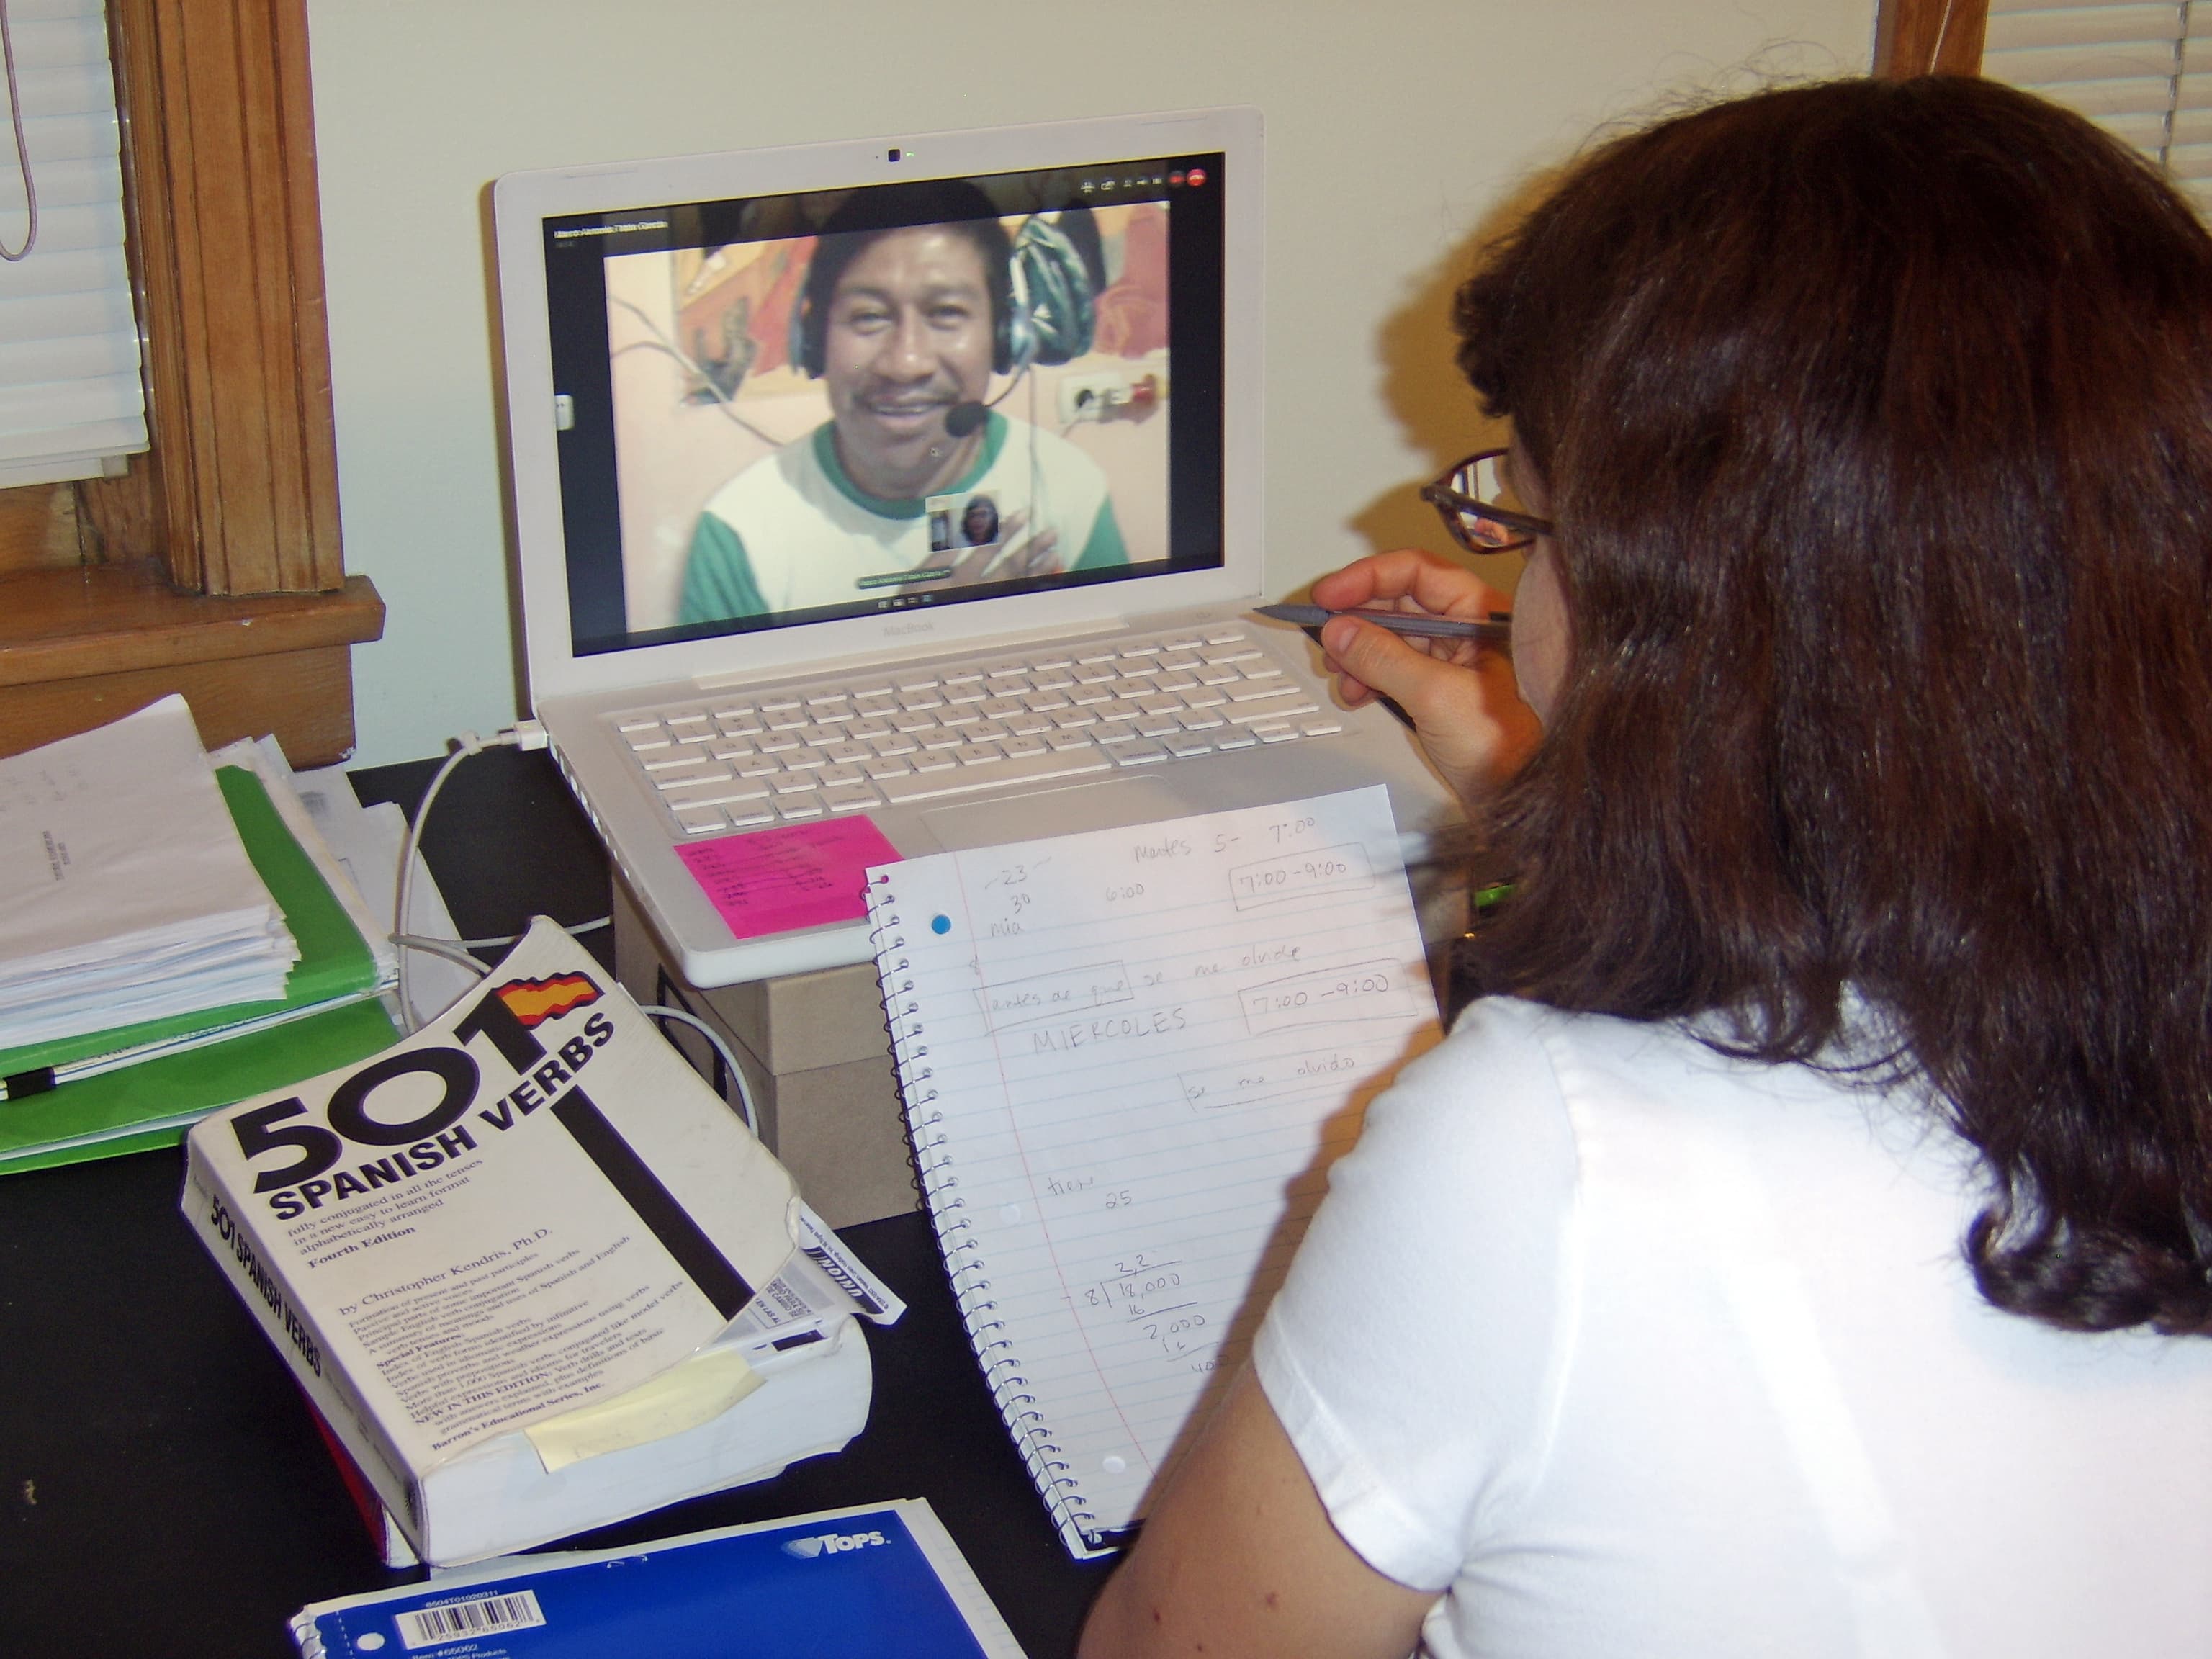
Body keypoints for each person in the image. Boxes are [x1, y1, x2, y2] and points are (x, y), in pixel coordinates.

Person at [1080, 76, 2212, 1659]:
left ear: (1686, 609)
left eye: (1533, 524)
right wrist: (1566, 787)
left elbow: (1172, 1647)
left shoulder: (1551, 1150)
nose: (1520, 579)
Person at [678, 196, 1126, 624]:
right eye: (869, 316)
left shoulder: (1070, 490)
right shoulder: (739, 531)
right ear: (814, 340)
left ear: (1004, 335)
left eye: (946, 312)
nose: (906, 363)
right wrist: (908, 634)